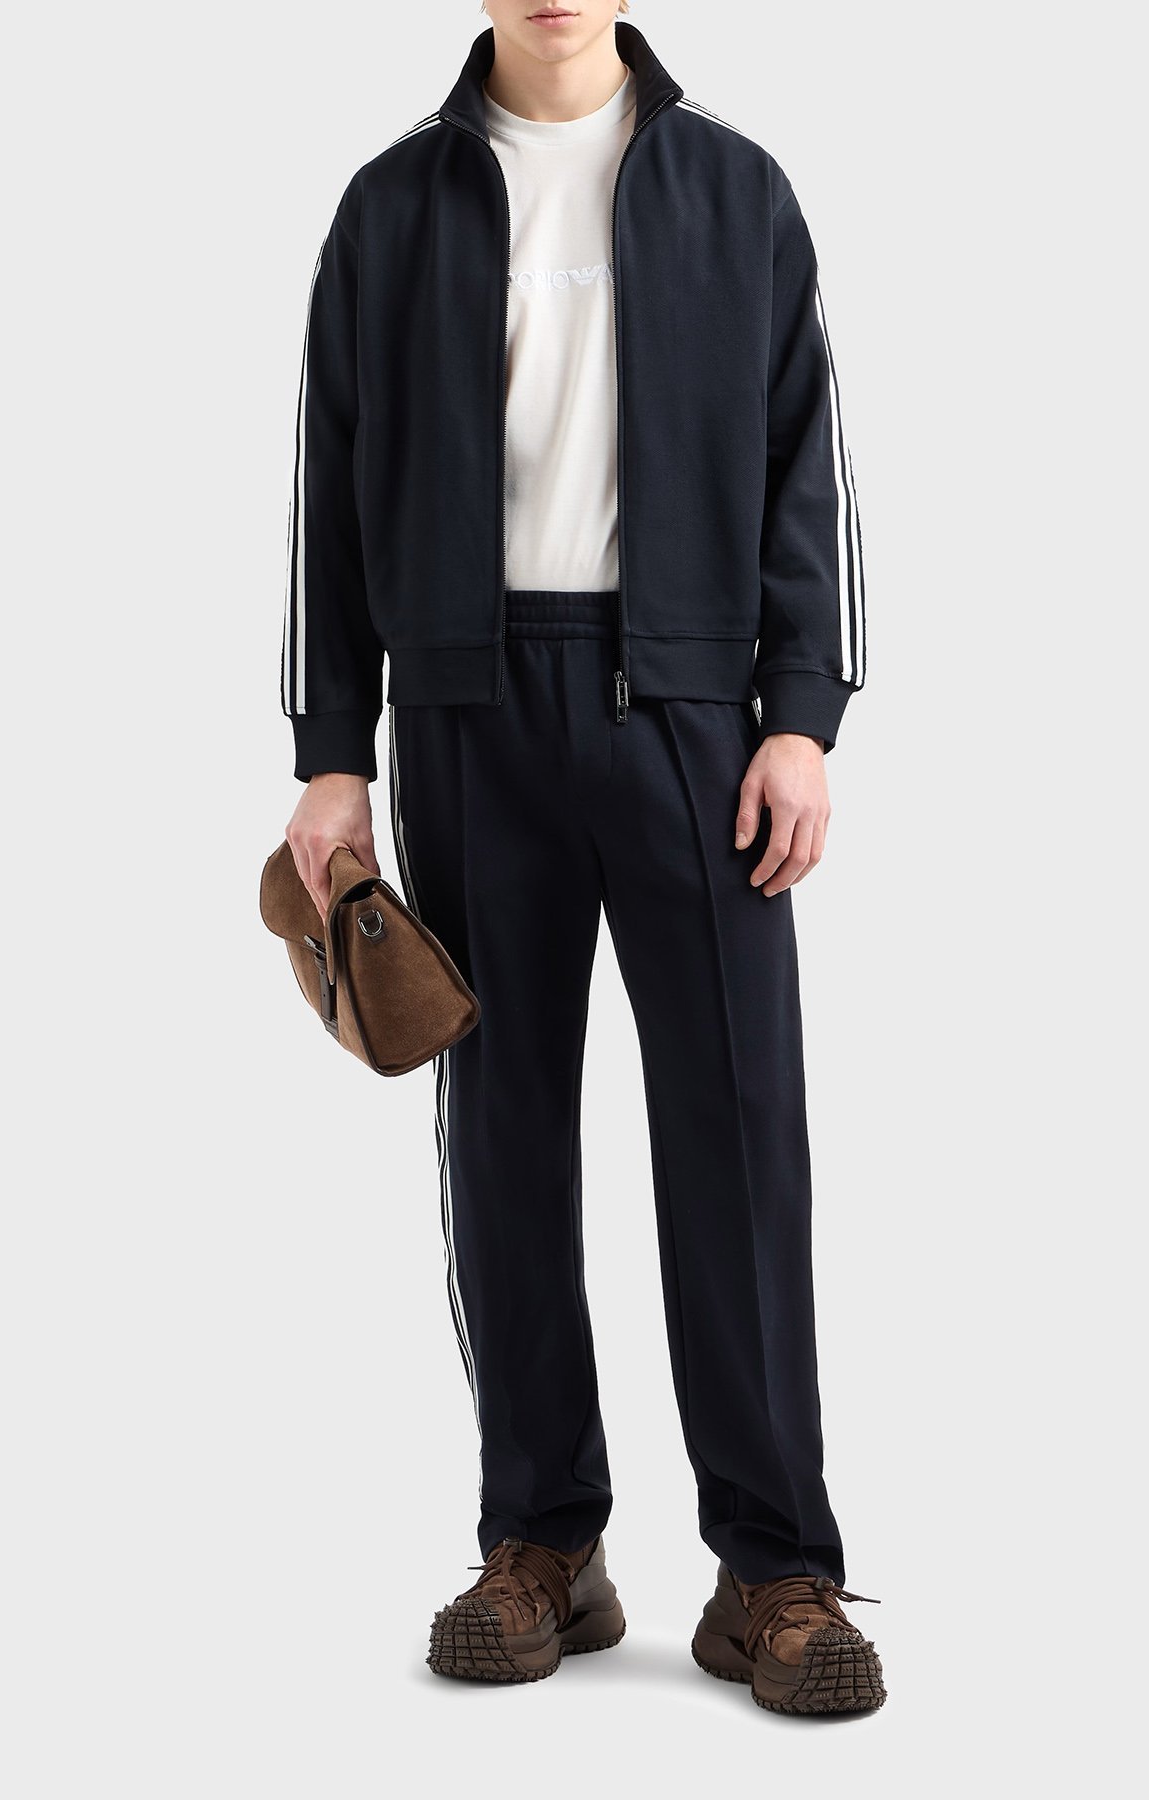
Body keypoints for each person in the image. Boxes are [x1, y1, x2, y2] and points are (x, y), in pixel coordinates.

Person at [280, 2, 883, 1716]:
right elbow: (329, 487)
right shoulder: (390, 207)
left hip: (694, 719)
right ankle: (542, 1541)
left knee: (738, 1133)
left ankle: (774, 1569)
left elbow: (809, 472)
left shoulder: (738, 191)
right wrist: (332, 756)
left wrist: (801, 717)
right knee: (505, 1134)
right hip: (468, 716)